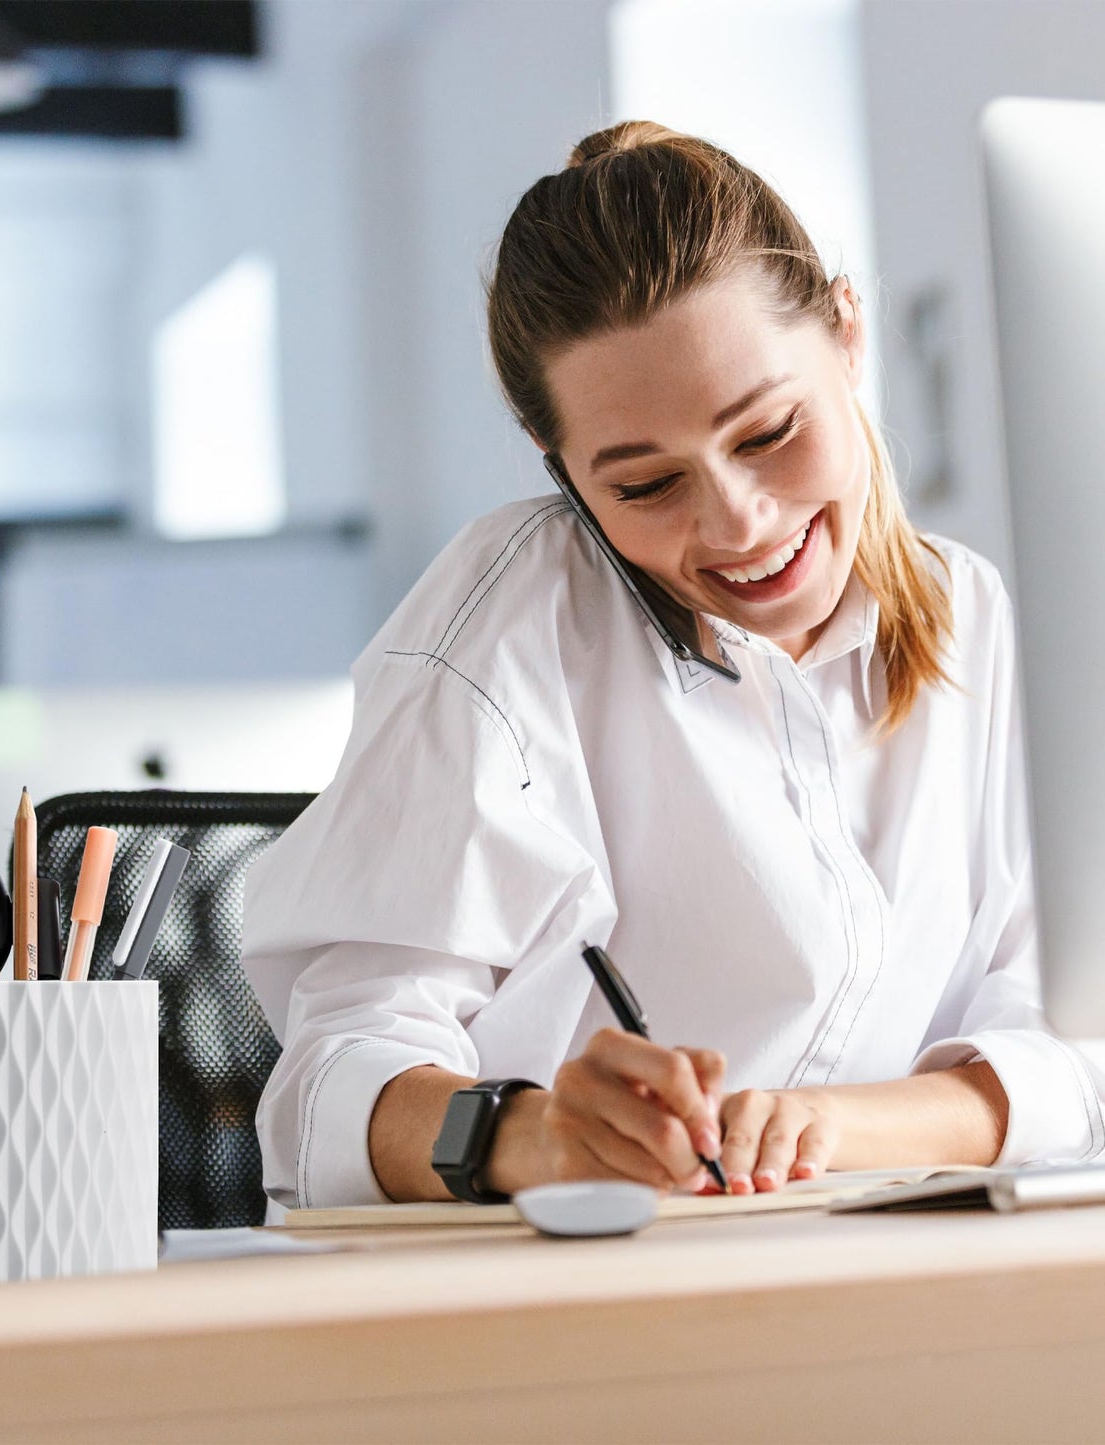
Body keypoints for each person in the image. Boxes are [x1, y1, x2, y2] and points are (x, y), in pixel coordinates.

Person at [240, 121, 1105, 1212]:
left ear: (845, 331)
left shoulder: (970, 617)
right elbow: (325, 1090)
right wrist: (535, 1133)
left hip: (880, 1266)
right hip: (572, 1300)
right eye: (644, 486)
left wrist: (829, 1128)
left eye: (766, 432)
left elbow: (1072, 1037)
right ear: (556, 462)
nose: (738, 522)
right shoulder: (508, 633)